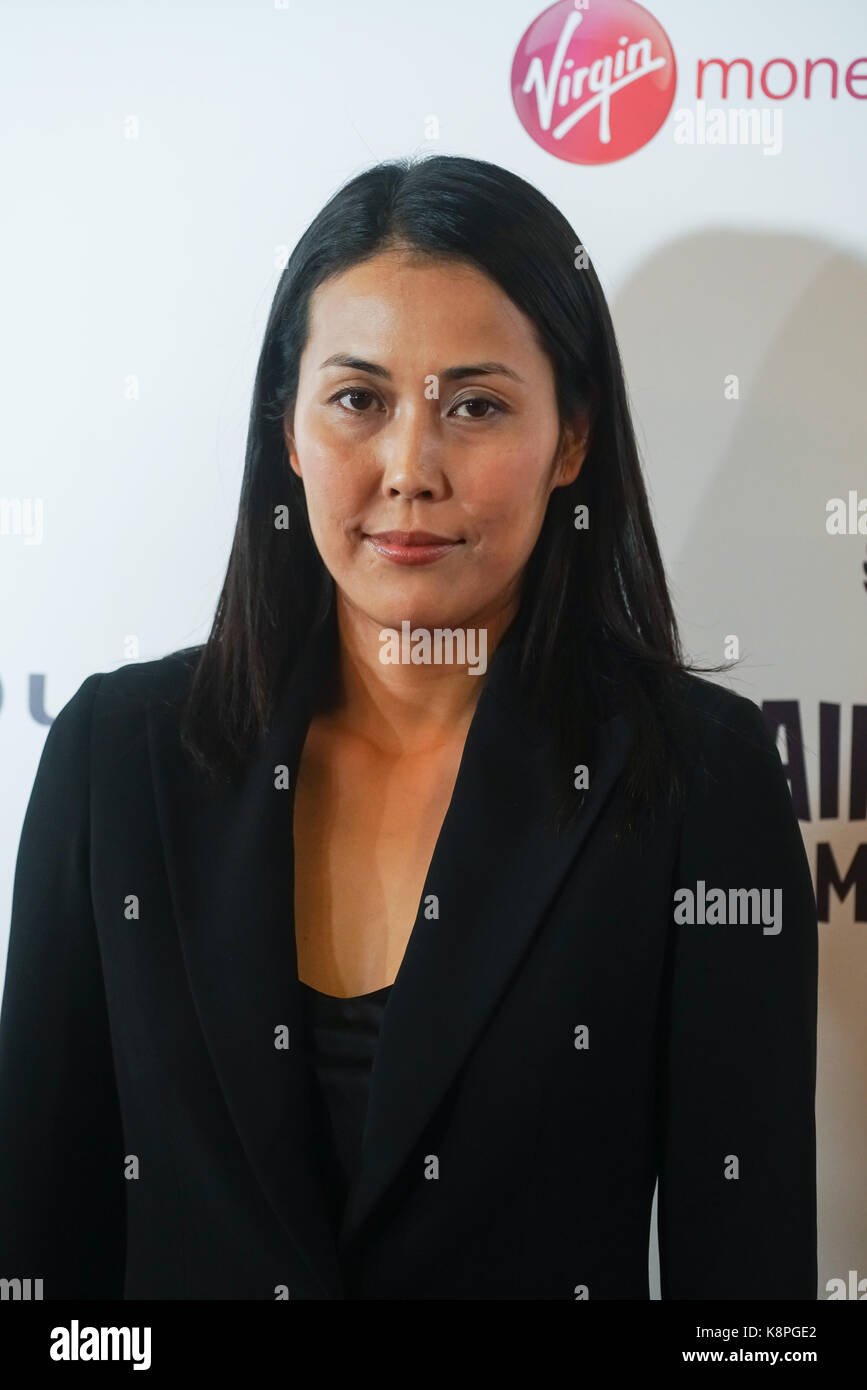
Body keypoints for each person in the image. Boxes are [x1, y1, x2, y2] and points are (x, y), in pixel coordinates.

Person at [0, 154, 817, 1300]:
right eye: (358, 399)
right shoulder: (113, 758)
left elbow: (749, 1300)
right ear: (287, 430)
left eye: (475, 406)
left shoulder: (698, 783)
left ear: (571, 439)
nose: (409, 469)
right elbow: (41, 1254)